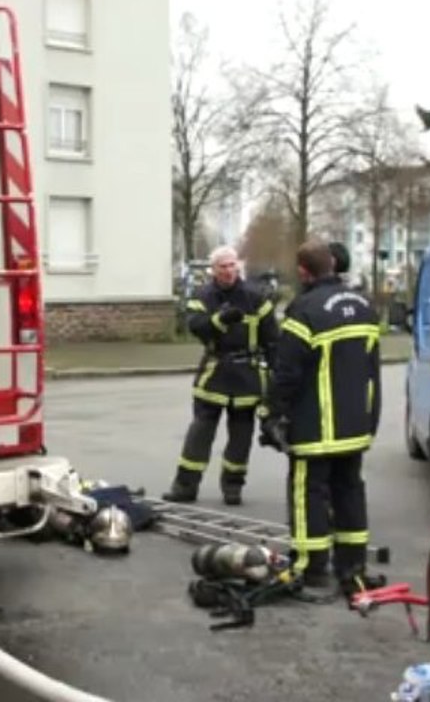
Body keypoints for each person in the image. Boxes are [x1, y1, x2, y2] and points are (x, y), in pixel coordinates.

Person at [263, 237, 385, 598]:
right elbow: (371, 367)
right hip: (356, 425)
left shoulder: (304, 310)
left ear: (303, 271)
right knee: (349, 492)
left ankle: (312, 568)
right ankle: (353, 568)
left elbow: (287, 372)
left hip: (315, 426)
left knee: (309, 494)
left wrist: (272, 413)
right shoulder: (364, 307)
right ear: (332, 264)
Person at [162, 245, 279, 506]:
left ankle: (233, 487)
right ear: (213, 270)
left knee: (241, 436)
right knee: (200, 433)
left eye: (232, 265)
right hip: (215, 370)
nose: (228, 271)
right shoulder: (203, 295)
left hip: (247, 374)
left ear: (238, 266)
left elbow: (272, 339)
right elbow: (195, 325)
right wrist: (219, 320)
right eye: (222, 266)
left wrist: (276, 376)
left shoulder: (256, 297)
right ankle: (185, 486)